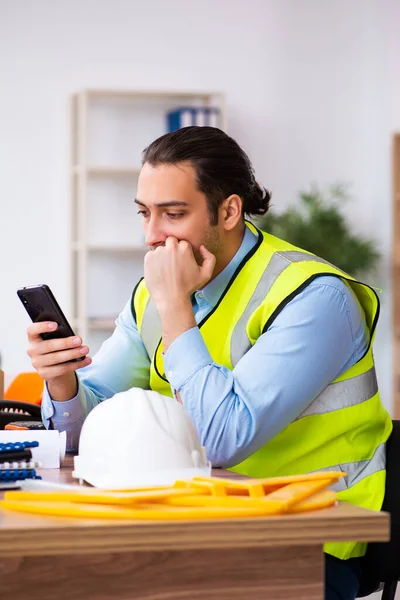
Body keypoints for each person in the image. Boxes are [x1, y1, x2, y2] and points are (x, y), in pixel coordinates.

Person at [26, 126, 391, 600]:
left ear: (229, 211)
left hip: (303, 537)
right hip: (191, 525)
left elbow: (223, 440)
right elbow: (83, 437)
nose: (153, 235)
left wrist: (176, 308)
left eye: (173, 214)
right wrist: (62, 384)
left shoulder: (314, 297)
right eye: (144, 214)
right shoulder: (153, 295)